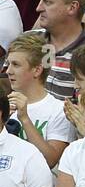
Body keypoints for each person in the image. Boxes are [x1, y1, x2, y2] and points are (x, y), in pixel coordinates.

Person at [5, 31, 73, 168]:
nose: (8, 71)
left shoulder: (59, 110)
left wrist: (24, 119)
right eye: (8, 64)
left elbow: (50, 161)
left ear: (37, 70)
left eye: (16, 65)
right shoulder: (4, 105)